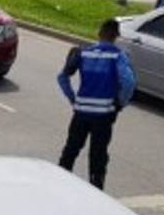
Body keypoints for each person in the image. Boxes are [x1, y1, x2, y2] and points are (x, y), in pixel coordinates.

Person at [56, 18, 136, 190]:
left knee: (71, 150)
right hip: (104, 115)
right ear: (116, 36)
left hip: (81, 112)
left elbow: (62, 77)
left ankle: (59, 184)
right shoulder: (118, 56)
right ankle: (96, 190)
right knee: (98, 156)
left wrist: (73, 98)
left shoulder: (83, 53)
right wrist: (120, 103)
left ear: (99, 33)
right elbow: (128, 82)